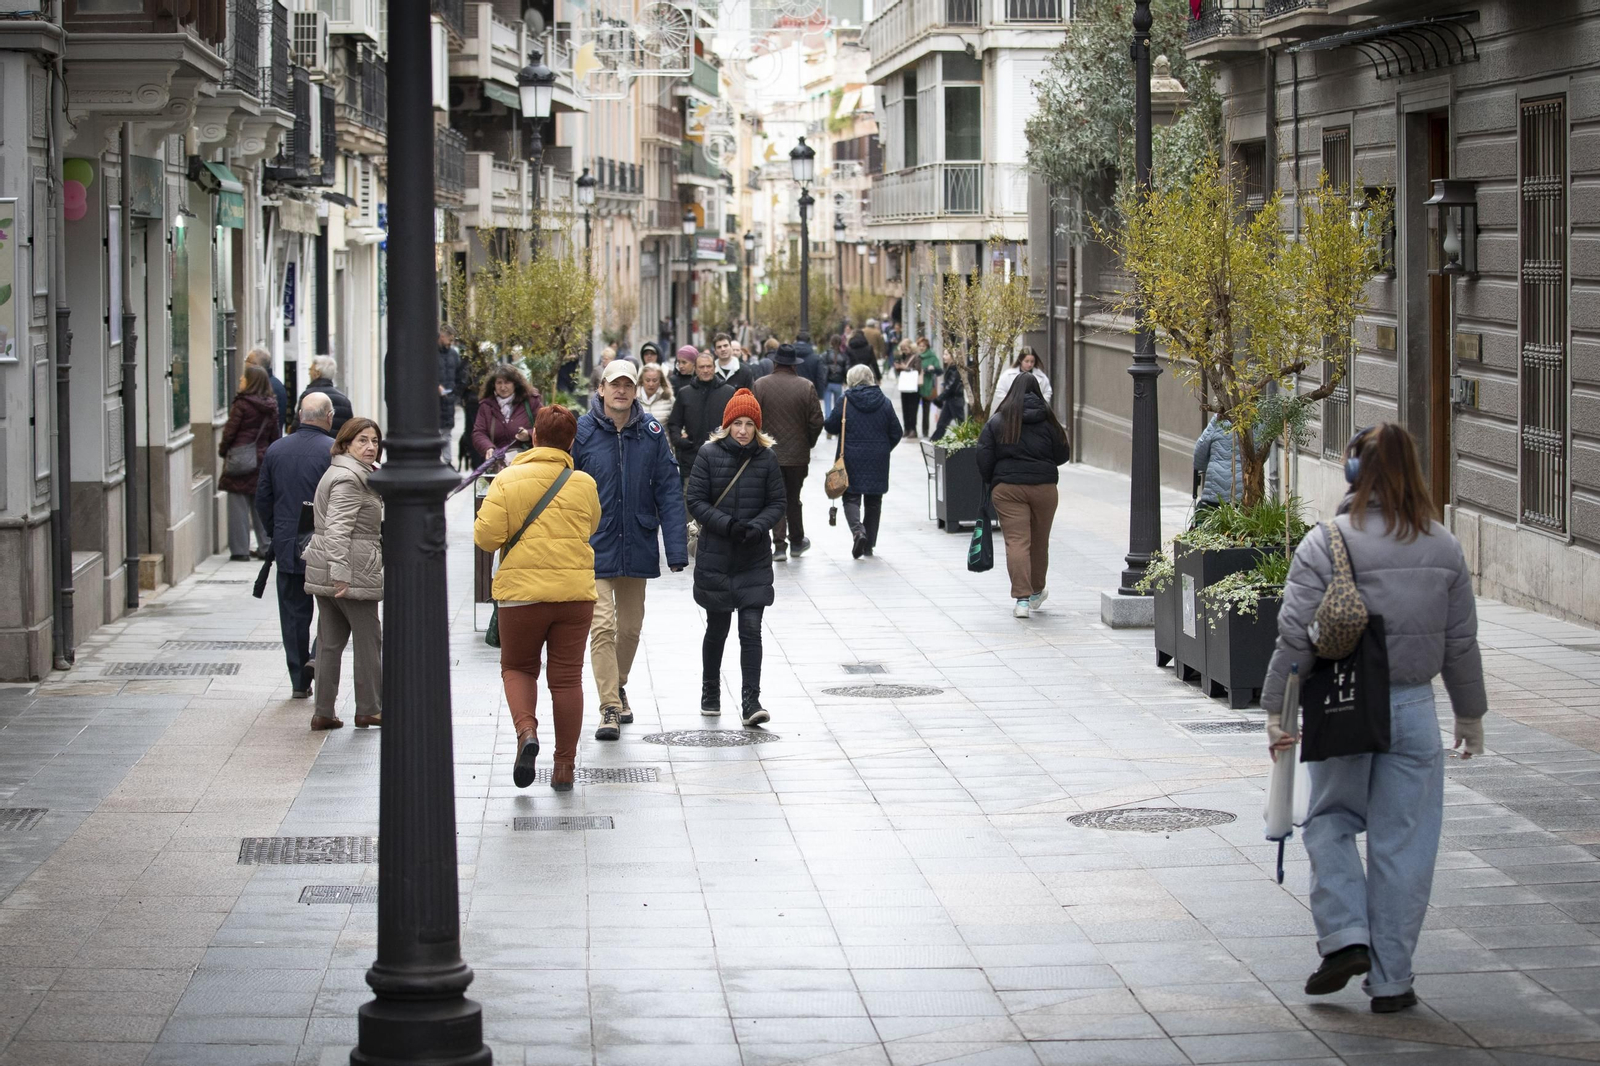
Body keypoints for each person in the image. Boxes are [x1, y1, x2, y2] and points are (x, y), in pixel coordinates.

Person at [1260, 422, 1486, 1015]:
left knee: (1330, 820)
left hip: (1343, 706)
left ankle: (1344, 938)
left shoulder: (1326, 541)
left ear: (1354, 473)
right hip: (1415, 709)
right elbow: (1462, 643)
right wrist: (1471, 716)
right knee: (1404, 845)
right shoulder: (1445, 546)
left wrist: (1275, 712)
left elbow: (1294, 638)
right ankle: (1392, 981)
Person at [473, 405, 602, 792]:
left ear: (532, 436)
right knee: (566, 680)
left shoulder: (507, 480)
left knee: (518, 667)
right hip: (574, 594)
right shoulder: (583, 483)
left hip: (521, 596)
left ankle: (526, 731)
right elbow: (592, 526)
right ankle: (564, 768)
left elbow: (486, 538)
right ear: (572, 441)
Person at [573, 358, 689, 741]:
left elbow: (669, 490)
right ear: (601, 389)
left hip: (637, 540)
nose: (621, 390)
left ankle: (618, 683)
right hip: (594, 543)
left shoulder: (651, 432)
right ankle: (608, 706)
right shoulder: (583, 432)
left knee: (631, 628)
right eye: (614, 384)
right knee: (602, 625)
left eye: (628, 384)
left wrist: (675, 549)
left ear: (635, 390)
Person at [685, 389, 786, 725]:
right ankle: (710, 690)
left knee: (751, 628)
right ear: (726, 425)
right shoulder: (708, 454)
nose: (743, 430)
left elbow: (777, 503)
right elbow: (695, 500)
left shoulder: (767, 458)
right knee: (717, 627)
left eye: (749, 424)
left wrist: (757, 527)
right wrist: (727, 525)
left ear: (757, 427)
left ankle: (750, 700)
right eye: (737, 423)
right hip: (717, 554)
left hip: (753, 556)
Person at [302, 417, 384, 731]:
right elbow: (337, 528)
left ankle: (323, 711)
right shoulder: (350, 478)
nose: (370, 447)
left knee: (329, 642)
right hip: (350, 571)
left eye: (375, 441)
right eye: (362, 440)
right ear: (346, 443)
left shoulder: (346, 471)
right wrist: (341, 573)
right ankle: (370, 709)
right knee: (367, 641)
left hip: (334, 568)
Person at [256, 393, 335, 698]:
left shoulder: (277, 449)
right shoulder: (332, 451)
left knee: (292, 615)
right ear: (328, 417)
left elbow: (262, 498)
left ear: (301, 415)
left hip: (288, 545)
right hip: (325, 544)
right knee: (330, 610)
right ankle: (317, 656)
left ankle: (298, 681)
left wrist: (275, 531)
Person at [975, 373, 1071, 619]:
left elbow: (984, 456)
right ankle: (1037, 590)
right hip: (1044, 488)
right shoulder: (1049, 421)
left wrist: (993, 480)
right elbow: (1062, 454)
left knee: (1017, 541)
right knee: (1040, 541)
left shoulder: (998, 421)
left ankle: (1022, 601)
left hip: (1008, 488)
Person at [753, 343, 824, 561]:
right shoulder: (806, 386)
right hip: (797, 456)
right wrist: (808, 442)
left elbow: (753, 419)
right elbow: (816, 421)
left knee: (775, 499)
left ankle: (779, 545)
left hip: (768, 453)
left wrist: (758, 445)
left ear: (775, 363)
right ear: (794, 365)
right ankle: (796, 541)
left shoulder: (760, 385)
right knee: (793, 498)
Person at [823, 364, 901, 558]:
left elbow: (831, 426)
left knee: (851, 496)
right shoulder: (884, 402)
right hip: (878, 459)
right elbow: (897, 432)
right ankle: (869, 545)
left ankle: (858, 532)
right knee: (874, 500)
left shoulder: (846, 400)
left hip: (851, 457)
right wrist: (884, 447)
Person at [219, 365, 282, 561]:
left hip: (240, 459)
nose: (240, 380)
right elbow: (275, 436)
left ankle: (240, 550)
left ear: (251, 381)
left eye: (244, 378)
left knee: (237, 505)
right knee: (260, 504)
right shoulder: (271, 406)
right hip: (261, 459)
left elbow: (231, 431)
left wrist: (224, 450)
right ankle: (265, 547)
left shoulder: (242, 404)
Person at [668, 352, 735, 493]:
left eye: (709, 366)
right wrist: (679, 441)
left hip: (722, 461)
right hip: (692, 460)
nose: (705, 370)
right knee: (691, 503)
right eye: (701, 367)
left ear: (714, 367)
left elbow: (736, 422)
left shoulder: (728, 392)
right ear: (695, 369)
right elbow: (674, 423)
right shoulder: (685, 393)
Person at [472, 363, 543, 471]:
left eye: (507, 382)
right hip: (498, 467)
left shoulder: (531, 401)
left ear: (515, 384)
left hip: (527, 465)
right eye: (499, 383)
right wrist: (488, 447)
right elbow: (478, 432)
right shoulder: (486, 406)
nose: (503, 387)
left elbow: (546, 428)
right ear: (493, 385)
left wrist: (529, 434)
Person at [1193, 414, 1245, 519]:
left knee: (1210, 519)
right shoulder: (1255, 420)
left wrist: (1205, 468)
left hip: (1215, 486)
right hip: (1243, 485)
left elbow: (1200, 449)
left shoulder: (1219, 419)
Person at [298, 355, 354, 435]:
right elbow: (349, 430)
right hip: (336, 446)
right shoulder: (344, 400)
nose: (309, 373)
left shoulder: (307, 397)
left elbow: (296, 426)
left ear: (317, 373)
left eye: (310, 370)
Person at [438, 326, 468, 455]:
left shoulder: (453, 354)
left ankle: (447, 460)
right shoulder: (429, 353)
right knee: (437, 432)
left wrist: (456, 393)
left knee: (447, 432)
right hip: (434, 401)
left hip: (449, 399)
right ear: (442, 336)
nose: (451, 342)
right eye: (449, 339)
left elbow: (460, 375)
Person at [245, 347, 289, 431]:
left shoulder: (264, 387)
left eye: (247, 360)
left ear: (255, 365)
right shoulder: (275, 384)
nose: (245, 364)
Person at [930, 348, 966, 442]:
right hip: (951, 400)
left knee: (960, 424)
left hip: (955, 400)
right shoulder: (951, 368)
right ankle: (934, 442)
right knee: (942, 423)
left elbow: (951, 386)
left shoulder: (955, 369)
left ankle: (965, 442)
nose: (943, 357)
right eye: (944, 354)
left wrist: (940, 398)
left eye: (946, 354)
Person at [893, 339, 922, 440]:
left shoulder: (916, 356)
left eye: (905, 348)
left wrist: (905, 368)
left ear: (910, 347)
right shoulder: (903, 356)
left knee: (912, 408)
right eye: (902, 349)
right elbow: (899, 369)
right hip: (905, 386)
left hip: (913, 387)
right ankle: (906, 429)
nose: (903, 351)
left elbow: (917, 369)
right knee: (905, 408)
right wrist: (898, 367)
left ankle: (913, 429)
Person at [917, 337, 941, 438]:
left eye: (923, 346)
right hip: (915, 386)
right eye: (920, 346)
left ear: (927, 346)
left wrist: (931, 369)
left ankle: (925, 431)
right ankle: (912, 430)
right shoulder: (916, 356)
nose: (921, 348)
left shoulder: (932, 357)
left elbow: (939, 370)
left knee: (926, 410)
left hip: (927, 386)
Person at [821, 335, 847, 422]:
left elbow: (822, 369)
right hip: (838, 383)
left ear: (831, 343)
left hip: (828, 383)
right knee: (837, 406)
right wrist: (845, 380)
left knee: (827, 405)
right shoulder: (843, 356)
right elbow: (846, 369)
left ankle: (828, 423)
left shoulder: (826, 355)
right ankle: (835, 423)